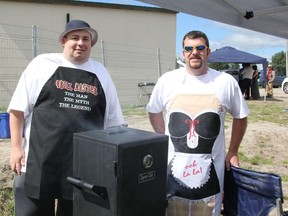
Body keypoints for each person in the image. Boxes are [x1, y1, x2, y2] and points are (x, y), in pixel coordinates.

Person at [8, 20, 125, 216]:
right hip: (38, 161)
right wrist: (16, 148)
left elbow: (114, 122)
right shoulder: (41, 64)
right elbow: (17, 109)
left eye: (86, 39)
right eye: (75, 38)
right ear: (63, 40)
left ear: (91, 44)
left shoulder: (101, 72)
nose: (81, 43)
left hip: (83, 166)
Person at [146, 30, 249, 216]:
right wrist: (162, 137)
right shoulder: (167, 80)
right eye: (189, 48)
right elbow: (153, 109)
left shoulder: (225, 82)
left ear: (208, 52)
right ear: (183, 53)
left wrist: (233, 151)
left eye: (200, 47)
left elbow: (240, 116)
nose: (194, 52)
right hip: (173, 174)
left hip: (210, 175)